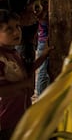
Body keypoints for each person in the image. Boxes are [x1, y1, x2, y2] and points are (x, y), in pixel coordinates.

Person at [0, 10, 53, 139]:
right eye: (9, 29)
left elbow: (27, 71)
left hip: (21, 115)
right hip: (6, 120)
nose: (16, 32)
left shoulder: (14, 54)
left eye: (18, 26)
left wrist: (43, 56)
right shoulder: (1, 60)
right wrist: (23, 85)